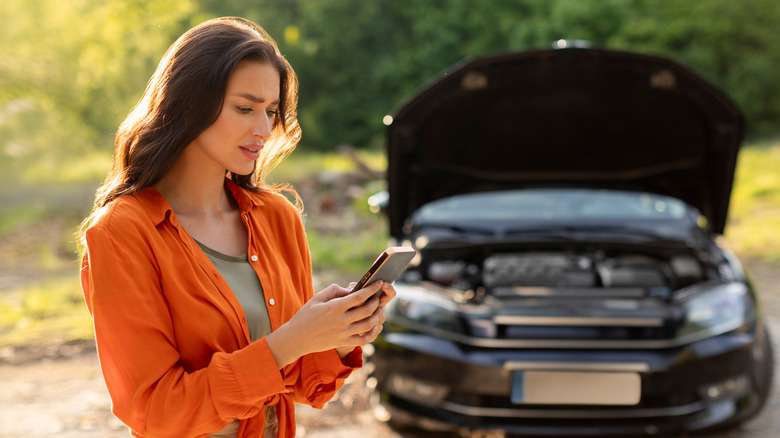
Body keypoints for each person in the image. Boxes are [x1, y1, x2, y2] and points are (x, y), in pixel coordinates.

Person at [78, 17, 395, 438]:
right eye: (245, 108)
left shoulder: (277, 217)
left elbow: (300, 383)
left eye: (271, 112)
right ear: (189, 103)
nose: (264, 130)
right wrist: (290, 341)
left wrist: (337, 335)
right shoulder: (122, 232)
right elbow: (155, 410)